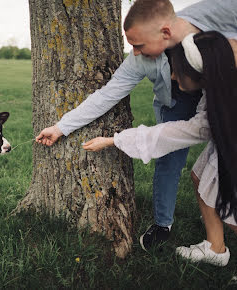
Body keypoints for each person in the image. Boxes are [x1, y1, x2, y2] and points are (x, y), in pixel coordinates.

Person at [35, 0, 237, 251]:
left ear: (164, 32)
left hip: (226, 95)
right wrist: (61, 127)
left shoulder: (215, 15)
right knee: (187, 167)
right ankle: (182, 232)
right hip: (180, 103)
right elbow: (108, 94)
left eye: (139, 45)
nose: (134, 52)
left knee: (221, 173)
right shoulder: (141, 60)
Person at [83, 30, 237, 266]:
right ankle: (215, 249)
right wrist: (115, 140)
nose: (173, 77)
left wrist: (116, 140)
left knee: (228, 202)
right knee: (200, 175)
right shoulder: (215, 85)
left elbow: (181, 132)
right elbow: (185, 130)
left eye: (176, 71)